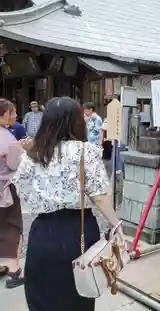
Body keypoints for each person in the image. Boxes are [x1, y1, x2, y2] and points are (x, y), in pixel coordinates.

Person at [12, 97, 122, 311]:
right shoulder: (85, 151)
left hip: (42, 233)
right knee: (79, 294)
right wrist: (115, 224)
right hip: (78, 231)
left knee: (43, 296)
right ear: (77, 122)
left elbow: (22, 191)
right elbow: (99, 195)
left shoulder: (33, 154)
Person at [0, 99, 27, 289]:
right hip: (6, 188)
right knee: (13, 227)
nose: (15, 116)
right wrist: (23, 148)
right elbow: (14, 164)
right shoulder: (6, 137)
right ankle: (14, 270)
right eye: (11, 112)